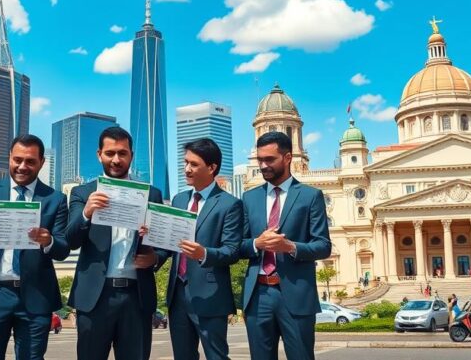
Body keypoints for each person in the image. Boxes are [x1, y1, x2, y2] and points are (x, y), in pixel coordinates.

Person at [0, 134, 70, 360]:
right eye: (17, 160)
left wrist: (49, 240)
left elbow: (63, 248)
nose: (22, 166)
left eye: (30, 161)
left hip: (35, 297)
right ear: (9, 158)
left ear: (42, 162)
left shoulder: (55, 199)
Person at [66, 126, 164, 360]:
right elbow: (70, 239)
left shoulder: (151, 194)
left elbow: (163, 243)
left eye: (123, 153)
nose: (116, 160)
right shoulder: (83, 192)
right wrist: (87, 213)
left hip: (136, 297)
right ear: (99, 154)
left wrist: (156, 257)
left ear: (131, 155)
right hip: (95, 298)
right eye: (110, 153)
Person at [238, 132, 330, 360]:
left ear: (288, 157)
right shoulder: (249, 198)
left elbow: (323, 246)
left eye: (269, 159)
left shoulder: (310, 196)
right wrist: (256, 243)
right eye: (260, 159)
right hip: (258, 295)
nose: (263, 165)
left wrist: (290, 246)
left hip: (296, 295)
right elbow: (237, 245)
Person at [154, 138, 243, 360]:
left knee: (216, 356)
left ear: (211, 168)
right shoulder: (178, 200)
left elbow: (232, 251)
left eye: (193, 164)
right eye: (185, 162)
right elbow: (169, 245)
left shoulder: (229, 204)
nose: (186, 169)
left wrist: (203, 253)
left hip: (210, 296)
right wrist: (152, 254)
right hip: (177, 295)